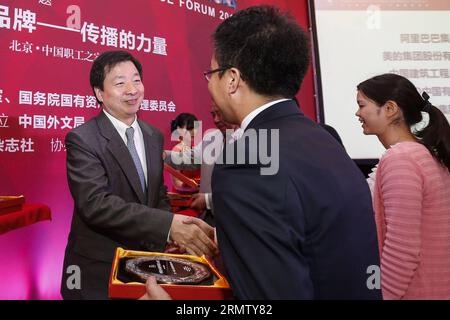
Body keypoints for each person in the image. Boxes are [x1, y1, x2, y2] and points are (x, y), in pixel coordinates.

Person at [206, 5, 381, 299]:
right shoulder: (324, 138)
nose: (209, 83)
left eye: (212, 72)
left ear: (232, 79)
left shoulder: (247, 162)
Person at [60, 50, 217, 300]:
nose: (132, 89)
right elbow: (95, 204)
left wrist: (168, 238)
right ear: (99, 93)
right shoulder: (83, 139)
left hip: (147, 265)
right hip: (99, 268)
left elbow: (158, 194)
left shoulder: (153, 136)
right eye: (120, 83)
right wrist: (167, 226)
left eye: (136, 80)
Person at [356, 73, 450, 299]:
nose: (358, 113)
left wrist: (384, 296)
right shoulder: (422, 154)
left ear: (389, 109)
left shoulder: (402, 159)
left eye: (362, 105)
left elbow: (402, 250)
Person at [169, 113, 200, 192]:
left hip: (198, 196)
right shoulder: (176, 151)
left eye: (195, 127)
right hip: (182, 198)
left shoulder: (197, 149)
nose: (193, 130)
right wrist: (195, 188)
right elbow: (177, 184)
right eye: (189, 128)